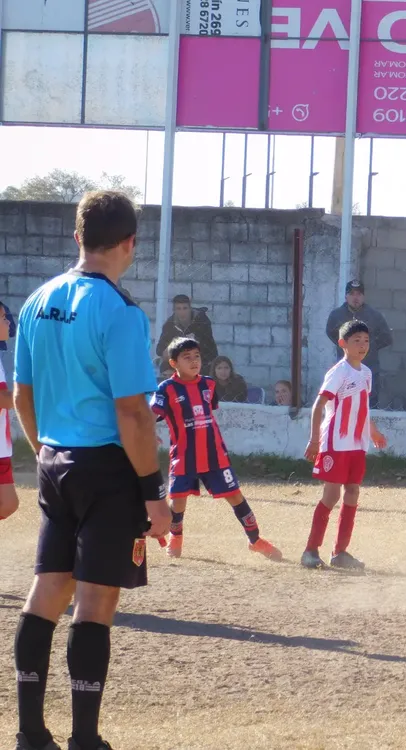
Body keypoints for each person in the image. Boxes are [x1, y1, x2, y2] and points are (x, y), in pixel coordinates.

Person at [11, 191, 171, 750]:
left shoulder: (36, 302)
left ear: (77, 236)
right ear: (130, 244)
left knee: (47, 591)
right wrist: (153, 494)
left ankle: (30, 732)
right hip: (107, 468)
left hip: (55, 460)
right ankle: (85, 739)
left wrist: (45, 453)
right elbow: (132, 413)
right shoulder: (121, 312)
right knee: (96, 601)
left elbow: (20, 395)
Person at [151, 337, 282, 561]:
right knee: (179, 498)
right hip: (184, 454)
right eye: (187, 357)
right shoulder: (166, 388)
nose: (194, 361)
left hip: (214, 454)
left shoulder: (208, 384)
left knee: (235, 496)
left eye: (197, 357)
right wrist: (147, 431)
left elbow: (209, 411)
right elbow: (152, 414)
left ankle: (255, 540)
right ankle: (176, 537)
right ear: (174, 363)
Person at [301, 320, 388, 571]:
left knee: (352, 492)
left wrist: (373, 432)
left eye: (366, 341)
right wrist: (315, 439)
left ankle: (339, 552)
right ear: (343, 344)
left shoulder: (366, 373)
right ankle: (310, 550)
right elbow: (319, 406)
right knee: (331, 494)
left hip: (356, 445)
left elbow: (363, 407)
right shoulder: (339, 372)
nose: (362, 346)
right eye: (356, 341)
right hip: (335, 444)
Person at [325, 280, 393, 407]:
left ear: (363, 296)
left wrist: (369, 348)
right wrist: (347, 347)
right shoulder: (336, 315)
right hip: (345, 366)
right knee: (344, 402)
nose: (355, 298)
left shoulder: (374, 315)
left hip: (369, 365)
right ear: (346, 296)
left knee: (369, 402)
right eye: (351, 294)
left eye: (359, 294)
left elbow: (386, 337)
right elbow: (330, 332)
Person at [155, 294, 218, 375]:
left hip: (201, 361)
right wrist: (174, 345)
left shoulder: (202, 321)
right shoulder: (169, 325)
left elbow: (209, 348)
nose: (182, 312)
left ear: (190, 308)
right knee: (165, 368)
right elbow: (160, 350)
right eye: (178, 309)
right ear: (174, 310)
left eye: (185, 308)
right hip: (178, 362)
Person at [0, 303, 18, 522]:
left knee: (8, 503)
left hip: (2, 447)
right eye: (3, 317)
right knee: (8, 502)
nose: (8, 322)